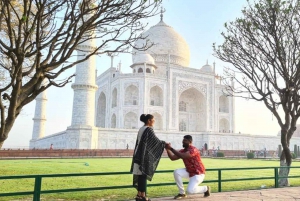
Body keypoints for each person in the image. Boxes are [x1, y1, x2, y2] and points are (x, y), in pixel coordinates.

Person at [130, 114, 166, 201]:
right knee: (143, 175)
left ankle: (139, 195)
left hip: (137, 154)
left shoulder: (141, 129)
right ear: (149, 120)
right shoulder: (149, 129)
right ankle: (142, 196)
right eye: (153, 120)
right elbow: (156, 142)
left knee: (140, 175)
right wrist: (164, 144)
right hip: (142, 155)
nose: (154, 121)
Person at [165, 135, 210, 199]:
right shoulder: (183, 151)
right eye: (183, 141)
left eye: (185, 141)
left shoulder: (193, 149)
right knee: (177, 172)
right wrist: (167, 149)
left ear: (190, 142)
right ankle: (182, 193)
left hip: (198, 173)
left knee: (190, 190)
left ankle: (205, 188)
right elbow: (172, 158)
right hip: (190, 172)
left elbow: (184, 156)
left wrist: (171, 148)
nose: (183, 142)